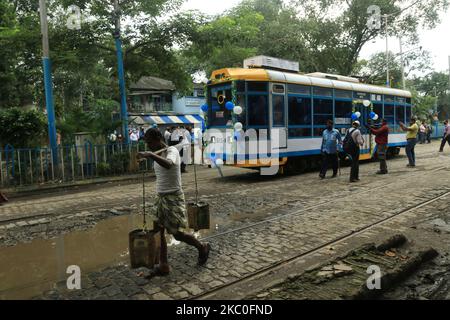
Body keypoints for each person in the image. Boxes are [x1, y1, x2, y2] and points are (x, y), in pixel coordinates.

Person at [137, 128, 210, 277]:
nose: (149, 146)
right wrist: (149, 156)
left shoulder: (172, 151)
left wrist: (150, 155)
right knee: (158, 232)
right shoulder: (158, 153)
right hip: (161, 198)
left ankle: (202, 247)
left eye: (150, 142)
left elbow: (169, 164)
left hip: (173, 197)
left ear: (158, 138)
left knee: (176, 234)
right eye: (147, 143)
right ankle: (163, 265)